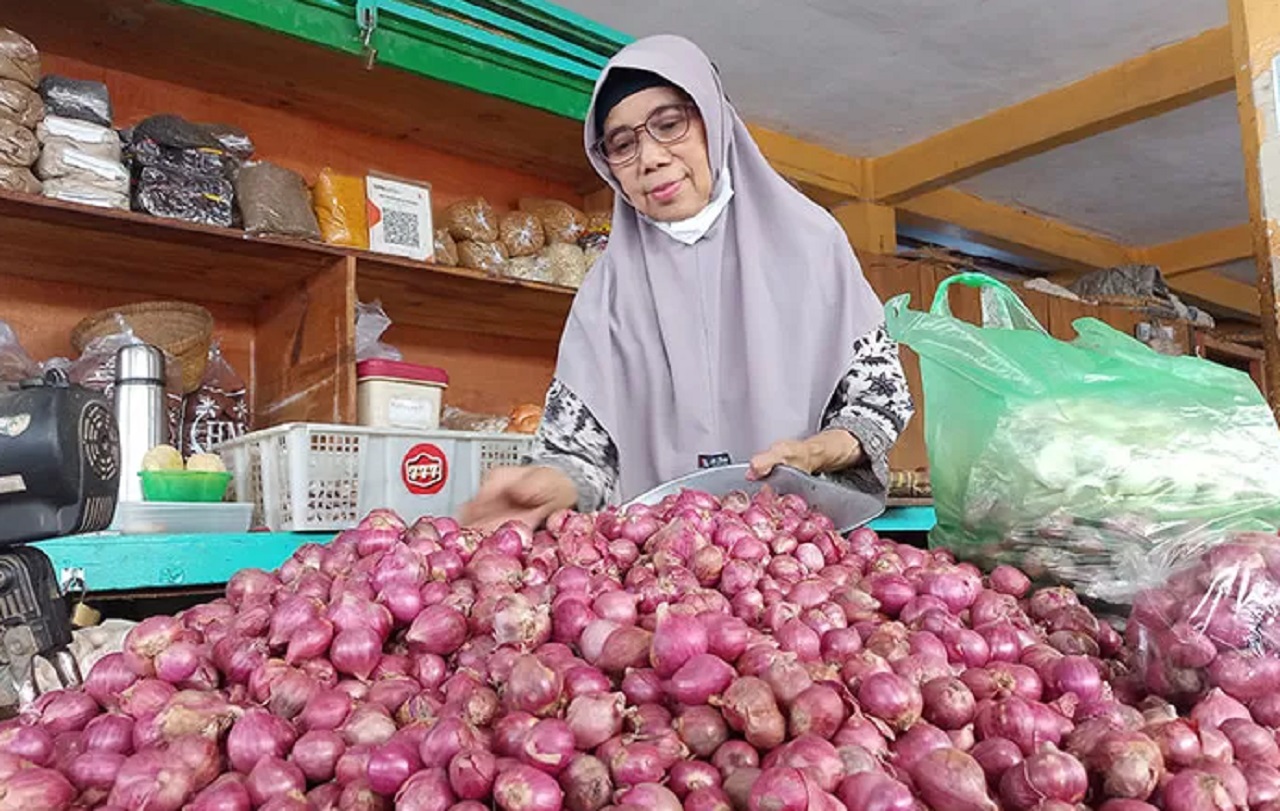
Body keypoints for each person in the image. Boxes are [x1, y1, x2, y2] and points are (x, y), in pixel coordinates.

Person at [461, 34, 915, 530]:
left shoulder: (811, 244)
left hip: (798, 548)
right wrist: (556, 482)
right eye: (623, 144)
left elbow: (879, 399)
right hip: (662, 561)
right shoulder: (605, 296)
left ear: (712, 122)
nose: (650, 158)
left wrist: (816, 453)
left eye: (669, 124)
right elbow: (582, 453)